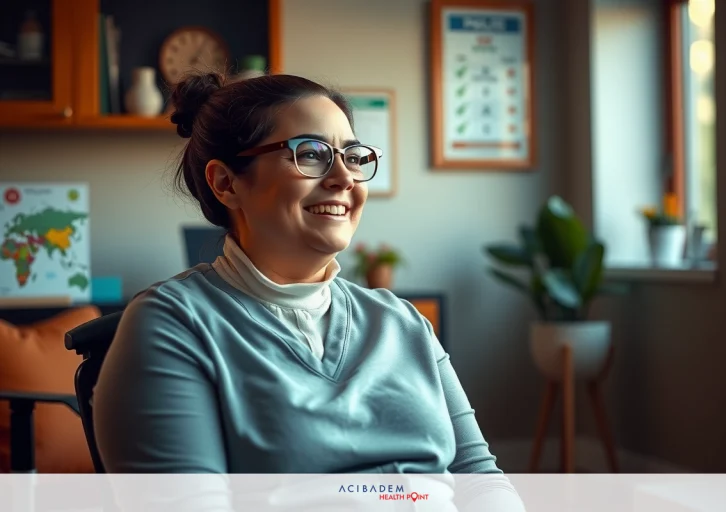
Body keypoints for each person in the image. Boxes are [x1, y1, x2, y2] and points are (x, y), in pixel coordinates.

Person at [92, 72, 524, 511]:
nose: (344, 177)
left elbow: (480, 479)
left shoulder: (402, 322)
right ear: (226, 183)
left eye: (352, 156)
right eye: (311, 154)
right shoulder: (173, 324)